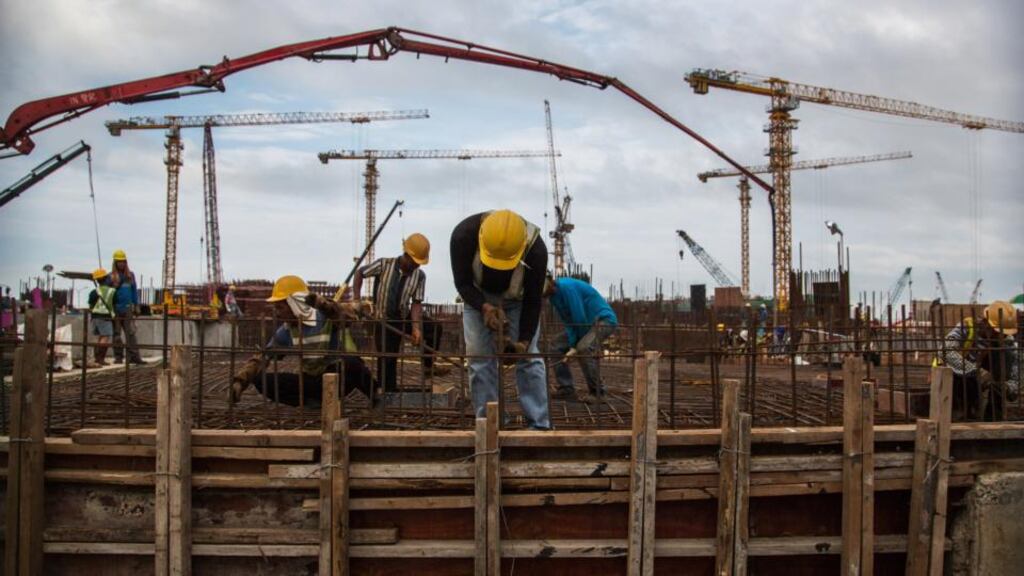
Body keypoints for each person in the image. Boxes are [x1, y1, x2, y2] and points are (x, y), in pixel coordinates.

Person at [450, 209, 550, 430]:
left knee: (530, 358)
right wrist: (484, 307)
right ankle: (489, 424)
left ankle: (539, 425)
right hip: (477, 296)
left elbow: (534, 300)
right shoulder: (463, 236)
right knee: (479, 357)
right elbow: (463, 284)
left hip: (519, 300)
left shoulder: (536, 250)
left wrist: (523, 341)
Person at [230, 275, 376, 407]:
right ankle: (310, 403)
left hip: (337, 379)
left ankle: (376, 394)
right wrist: (240, 381)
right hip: (311, 383)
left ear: (295, 304)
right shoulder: (286, 331)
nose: (278, 312)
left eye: (280, 307)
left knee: (352, 362)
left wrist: (325, 306)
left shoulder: (324, 317)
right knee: (261, 380)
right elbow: (262, 357)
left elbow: (347, 316)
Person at [353, 233, 449, 393]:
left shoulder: (419, 276)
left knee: (433, 328)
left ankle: (427, 366)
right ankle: (387, 393)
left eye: (420, 263)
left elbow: (416, 303)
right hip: (383, 319)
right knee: (387, 360)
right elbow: (359, 273)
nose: (417, 266)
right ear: (407, 255)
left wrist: (416, 327)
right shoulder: (384, 264)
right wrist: (356, 298)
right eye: (415, 262)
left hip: (404, 319)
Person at [936, 300, 1020, 421]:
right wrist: (976, 371)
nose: (1001, 336)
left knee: (1004, 357)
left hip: (986, 385)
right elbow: (945, 351)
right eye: (997, 332)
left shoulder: (1008, 342)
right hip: (957, 380)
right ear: (986, 323)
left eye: (1004, 334)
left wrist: (1007, 387)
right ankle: (960, 414)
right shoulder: (968, 327)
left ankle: (992, 418)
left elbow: (1015, 379)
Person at [544, 274, 618, 403]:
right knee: (556, 346)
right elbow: (568, 321)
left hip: (603, 321)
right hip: (586, 325)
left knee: (585, 348)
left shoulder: (567, 288)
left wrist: (575, 346)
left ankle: (598, 392)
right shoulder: (553, 297)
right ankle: (566, 389)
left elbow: (579, 318)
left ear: (549, 282)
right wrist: (573, 344)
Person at [109, 249, 144, 364]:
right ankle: (118, 357)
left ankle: (134, 356)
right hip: (116, 308)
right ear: (115, 262)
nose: (121, 264)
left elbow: (134, 291)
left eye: (123, 261)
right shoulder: (111, 277)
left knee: (131, 334)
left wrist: (136, 305)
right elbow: (109, 294)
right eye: (119, 261)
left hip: (128, 308)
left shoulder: (130, 276)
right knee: (117, 334)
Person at [87, 268, 116, 366]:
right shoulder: (111, 291)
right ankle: (100, 359)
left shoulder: (93, 292)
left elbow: (90, 305)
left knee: (100, 337)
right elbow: (115, 302)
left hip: (94, 317)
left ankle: (97, 358)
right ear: (106, 278)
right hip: (105, 317)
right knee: (105, 337)